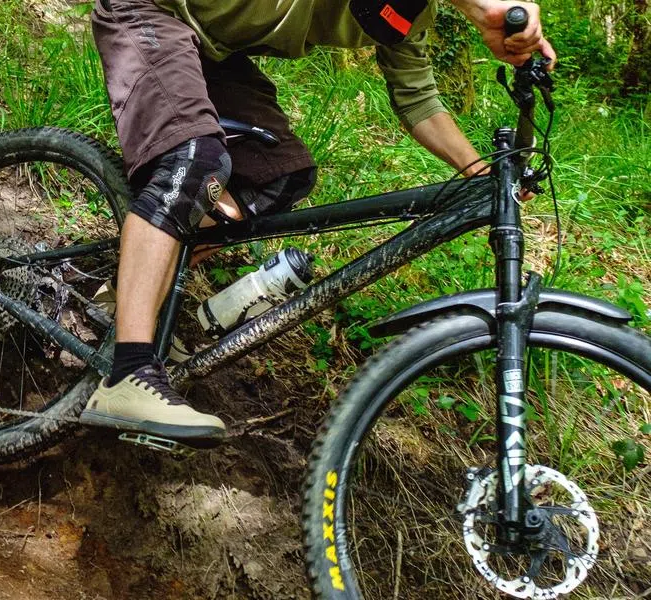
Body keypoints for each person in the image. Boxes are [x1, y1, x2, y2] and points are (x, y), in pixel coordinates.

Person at [78, 0, 556, 443]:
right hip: (148, 10)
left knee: (278, 176)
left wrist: (481, 172)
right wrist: (489, 8)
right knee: (194, 161)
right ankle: (129, 372)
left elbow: (419, 102)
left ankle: (121, 298)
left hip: (208, 51)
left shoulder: (411, 17)